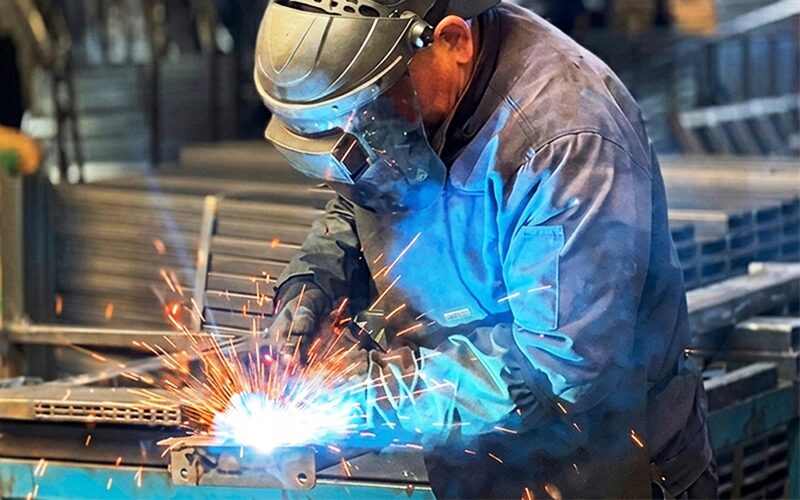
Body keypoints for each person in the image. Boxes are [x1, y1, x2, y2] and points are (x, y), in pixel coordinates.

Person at [254, 1, 716, 498]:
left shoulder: (567, 140)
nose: (354, 137)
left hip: (601, 469)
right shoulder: (411, 103)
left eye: (363, 114)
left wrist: (365, 394)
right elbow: (368, 188)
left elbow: (559, 365)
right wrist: (314, 281)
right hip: (477, 463)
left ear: (452, 41)